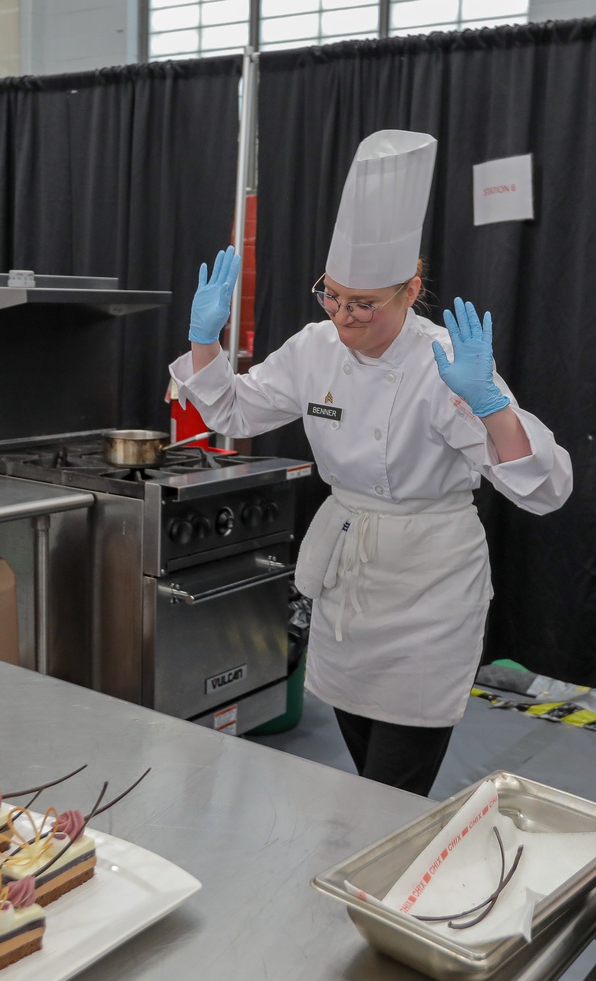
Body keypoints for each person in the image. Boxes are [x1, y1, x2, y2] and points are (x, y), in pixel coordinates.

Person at [169, 130, 572, 797]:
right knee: (364, 766)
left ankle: (383, 881)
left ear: (411, 289)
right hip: (350, 576)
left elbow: (544, 489)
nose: (344, 317)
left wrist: (491, 402)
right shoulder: (314, 348)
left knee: (392, 786)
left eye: (364, 304)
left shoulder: (445, 364)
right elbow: (234, 414)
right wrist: (203, 340)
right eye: (332, 296)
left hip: (429, 587)